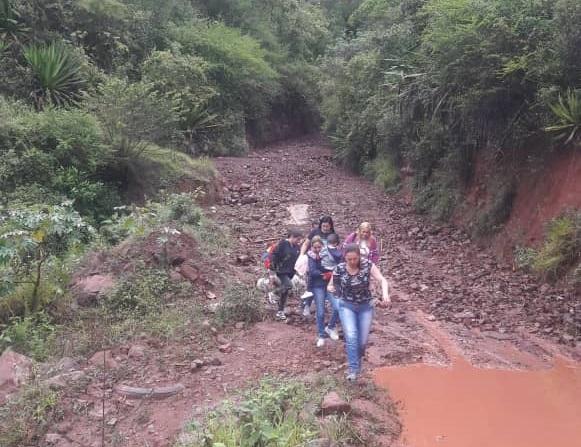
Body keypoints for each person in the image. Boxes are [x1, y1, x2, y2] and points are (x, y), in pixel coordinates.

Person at [328, 243, 390, 382]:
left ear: (359, 256)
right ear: (345, 257)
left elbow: (382, 280)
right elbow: (330, 285)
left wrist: (385, 295)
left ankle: (357, 363)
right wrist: (332, 290)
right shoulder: (339, 269)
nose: (352, 262)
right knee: (351, 336)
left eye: (355, 259)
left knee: (362, 342)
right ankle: (353, 371)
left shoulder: (367, 265)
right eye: (349, 259)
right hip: (346, 306)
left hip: (365, 307)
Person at [307, 236, 340, 347]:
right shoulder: (311, 256)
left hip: (330, 284)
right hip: (318, 285)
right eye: (315, 247)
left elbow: (337, 265)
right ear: (311, 247)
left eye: (319, 247)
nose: (317, 249)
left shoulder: (328, 254)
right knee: (320, 312)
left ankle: (330, 327)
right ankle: (321, 335)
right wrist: (323, 274)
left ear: (323, 246)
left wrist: (331, 274)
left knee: (337, 307)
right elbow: (312, 271)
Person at [269, 229, 303, 321]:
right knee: (288, 285)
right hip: (281, 270)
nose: (299, 241)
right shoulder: (283, 244)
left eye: (300, 239)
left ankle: (280, 311)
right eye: (297, 239)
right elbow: (274, 256)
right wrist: (272, 271)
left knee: (285, 292)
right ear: (291, 236)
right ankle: (273, 293)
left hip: (290, 272)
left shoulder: (296, 247)